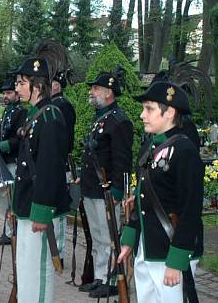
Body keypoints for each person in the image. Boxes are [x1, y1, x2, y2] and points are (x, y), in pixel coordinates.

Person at [118, 81, 204, 303]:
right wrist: (129, 238)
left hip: (170, 251)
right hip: (148, 248)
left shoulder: (185, 151)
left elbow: (190, 209)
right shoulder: (151, 147)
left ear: (170, 112)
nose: (142, 115)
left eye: (149, 109)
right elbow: (142, 196)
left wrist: (176, 260)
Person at [12, 58, 69, 303]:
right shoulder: (35, 115)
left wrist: (42, 211)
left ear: (37, 86)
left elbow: (50, 167)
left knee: (39, 272)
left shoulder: (51, 118)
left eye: (21, 83)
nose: (17, 88)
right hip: (28, 206)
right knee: (25, 270)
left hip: (41, 209)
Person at [77, 70, 134, 297]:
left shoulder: (119, 121)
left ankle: (112, 279)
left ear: (109, 92)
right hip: (92, 186)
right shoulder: (100, 117)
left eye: (96, 88)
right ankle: (100, 276)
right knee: (97, 235)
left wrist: (118, 190)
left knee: (109, 236)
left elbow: (122, 160)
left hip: (107, 189)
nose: (91, 92)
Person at [0, 74, 27, 245]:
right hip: (3, 161)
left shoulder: (22, 112)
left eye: (9, 93)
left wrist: (5, 145)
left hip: (13, 159)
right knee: (4, 199)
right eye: (4, 93)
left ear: (16, 94)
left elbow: (20, 138)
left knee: (12, 198)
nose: (5, 96)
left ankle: (14, 232)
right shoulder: (8, 111)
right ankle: (9, 231)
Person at [50, 69, 77, 264]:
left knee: (59, 206)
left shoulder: (63, 106)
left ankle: (58, 251)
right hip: (53, 160)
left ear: (57, 85)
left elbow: (64, 137)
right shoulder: (52, 105)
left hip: (60, 161)